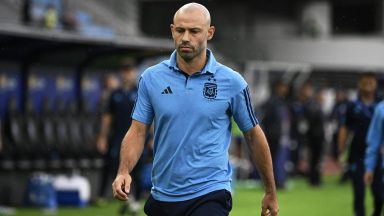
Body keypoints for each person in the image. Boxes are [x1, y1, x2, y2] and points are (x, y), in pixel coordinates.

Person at [111, 3, 279, 216]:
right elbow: (137, 131)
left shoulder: (232, 82)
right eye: (180, 30)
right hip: (163, 196)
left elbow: (253, 135)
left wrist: (270, 191)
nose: (185, 38)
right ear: (172, 30)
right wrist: (123, 171)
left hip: (211, 192)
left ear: (209, 33)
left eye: (194, 31)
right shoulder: (151, 78)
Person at [96, 60, 141, 213]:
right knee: (117, 166)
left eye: (130, 70)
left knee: (138, 168)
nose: (127, 74)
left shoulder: (140, 91)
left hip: (138, 137)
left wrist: (153, 137)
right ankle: (125, 198)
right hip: (118, 137)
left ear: (134, 72)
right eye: (125, 70)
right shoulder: (115, 94)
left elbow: (150, 116)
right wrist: (102, 137)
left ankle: (134, 198)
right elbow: (107, 117)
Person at [338, 73, 382, 216]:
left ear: (375, 84)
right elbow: (344, 128)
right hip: (357, 154)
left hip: (378, 156)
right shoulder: (352, 106)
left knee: (379, 193)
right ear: (359, 84)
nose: (368, 85)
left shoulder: (380, 105)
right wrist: (341, 150)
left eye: (371, 82)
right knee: (359, 191)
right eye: (365, 82)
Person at [261, 80, 291, 189]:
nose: (285, 90)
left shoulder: (279, 101)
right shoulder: (272, 102)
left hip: (277, 134)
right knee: (271, 160)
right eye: (282, 87)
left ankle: (275, 182)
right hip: (271, 134)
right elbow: (265, 119)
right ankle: (271, 183)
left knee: (275, 159)